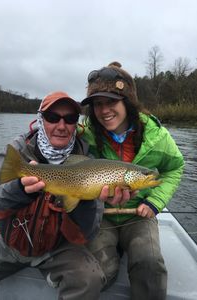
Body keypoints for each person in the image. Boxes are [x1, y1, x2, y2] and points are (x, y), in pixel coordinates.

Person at [0, 91, 108, 300]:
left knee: (89, 279)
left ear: (76, 124)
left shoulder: (90, 166)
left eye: (70, 119)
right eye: (53, 118)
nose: (61, 126)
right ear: (40, 120)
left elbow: (87, 234)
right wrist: (17, 190)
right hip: (4, 243)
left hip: (57, 249)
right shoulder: (16, 152)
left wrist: (84, 200)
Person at [78, 62, 184, 300]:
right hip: (100, 214)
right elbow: (55, 136)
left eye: (111, 102)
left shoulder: (157, 136)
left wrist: (155, 202)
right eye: (97, 104)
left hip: (139, 214)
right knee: (98, 273)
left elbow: (175, 168)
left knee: (149, 264)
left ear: (127, 101)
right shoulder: (84, 133)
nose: (104, 110)